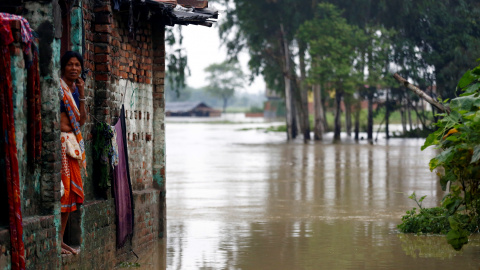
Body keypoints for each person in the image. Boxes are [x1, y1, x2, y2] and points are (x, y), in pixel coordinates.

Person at [59, 51, 87, 255]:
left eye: (77, 65)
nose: (74, 68)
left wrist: (83, 94)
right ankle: (57, 240)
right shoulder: (58, 89)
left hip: (72, 147)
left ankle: (60, 240)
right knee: (63, 193)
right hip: (61, 146)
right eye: (70, 64)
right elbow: (61, 121)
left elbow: (81, 121)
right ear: (63, 67)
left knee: (71, 196)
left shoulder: (75, 91)